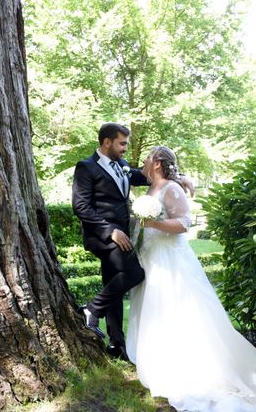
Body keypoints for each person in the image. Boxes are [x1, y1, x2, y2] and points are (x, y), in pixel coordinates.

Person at [126, 146, 256, 412]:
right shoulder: (151, 189)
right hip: (151, 258)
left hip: (169, 259)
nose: (144, 162)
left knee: (175, 308)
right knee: (155, 309)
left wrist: (153, 223)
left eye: (148, 158)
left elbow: (184, 222)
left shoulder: (171, 189)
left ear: (158, 163)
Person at [71, 124, 193, 360]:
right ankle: (91, 309)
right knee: (134, 273)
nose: (126, 148)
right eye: (122, 143)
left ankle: (117, 345)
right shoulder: (86, 167)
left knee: (113, 285)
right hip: (104, 236)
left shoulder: (122, 166)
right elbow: (81, 206)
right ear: (107, 142)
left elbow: (149, 176)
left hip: (124, 234)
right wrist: (110, 232)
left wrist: (181, 177)